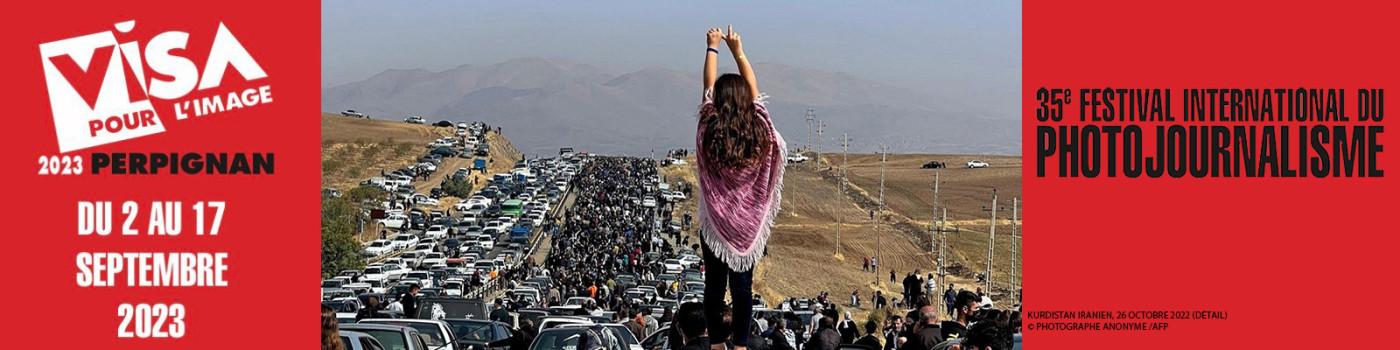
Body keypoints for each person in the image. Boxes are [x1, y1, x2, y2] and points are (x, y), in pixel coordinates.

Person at [697, 25, 786, 350]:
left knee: (714, 286)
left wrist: (713, 47)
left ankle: (718, 344)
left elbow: (708, 87)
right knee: (742, 287)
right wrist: (739, 50)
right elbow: (756, 92)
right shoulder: (760, 130)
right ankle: (742, 344)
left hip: (715, 225)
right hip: (748, 227)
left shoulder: (709, 128)